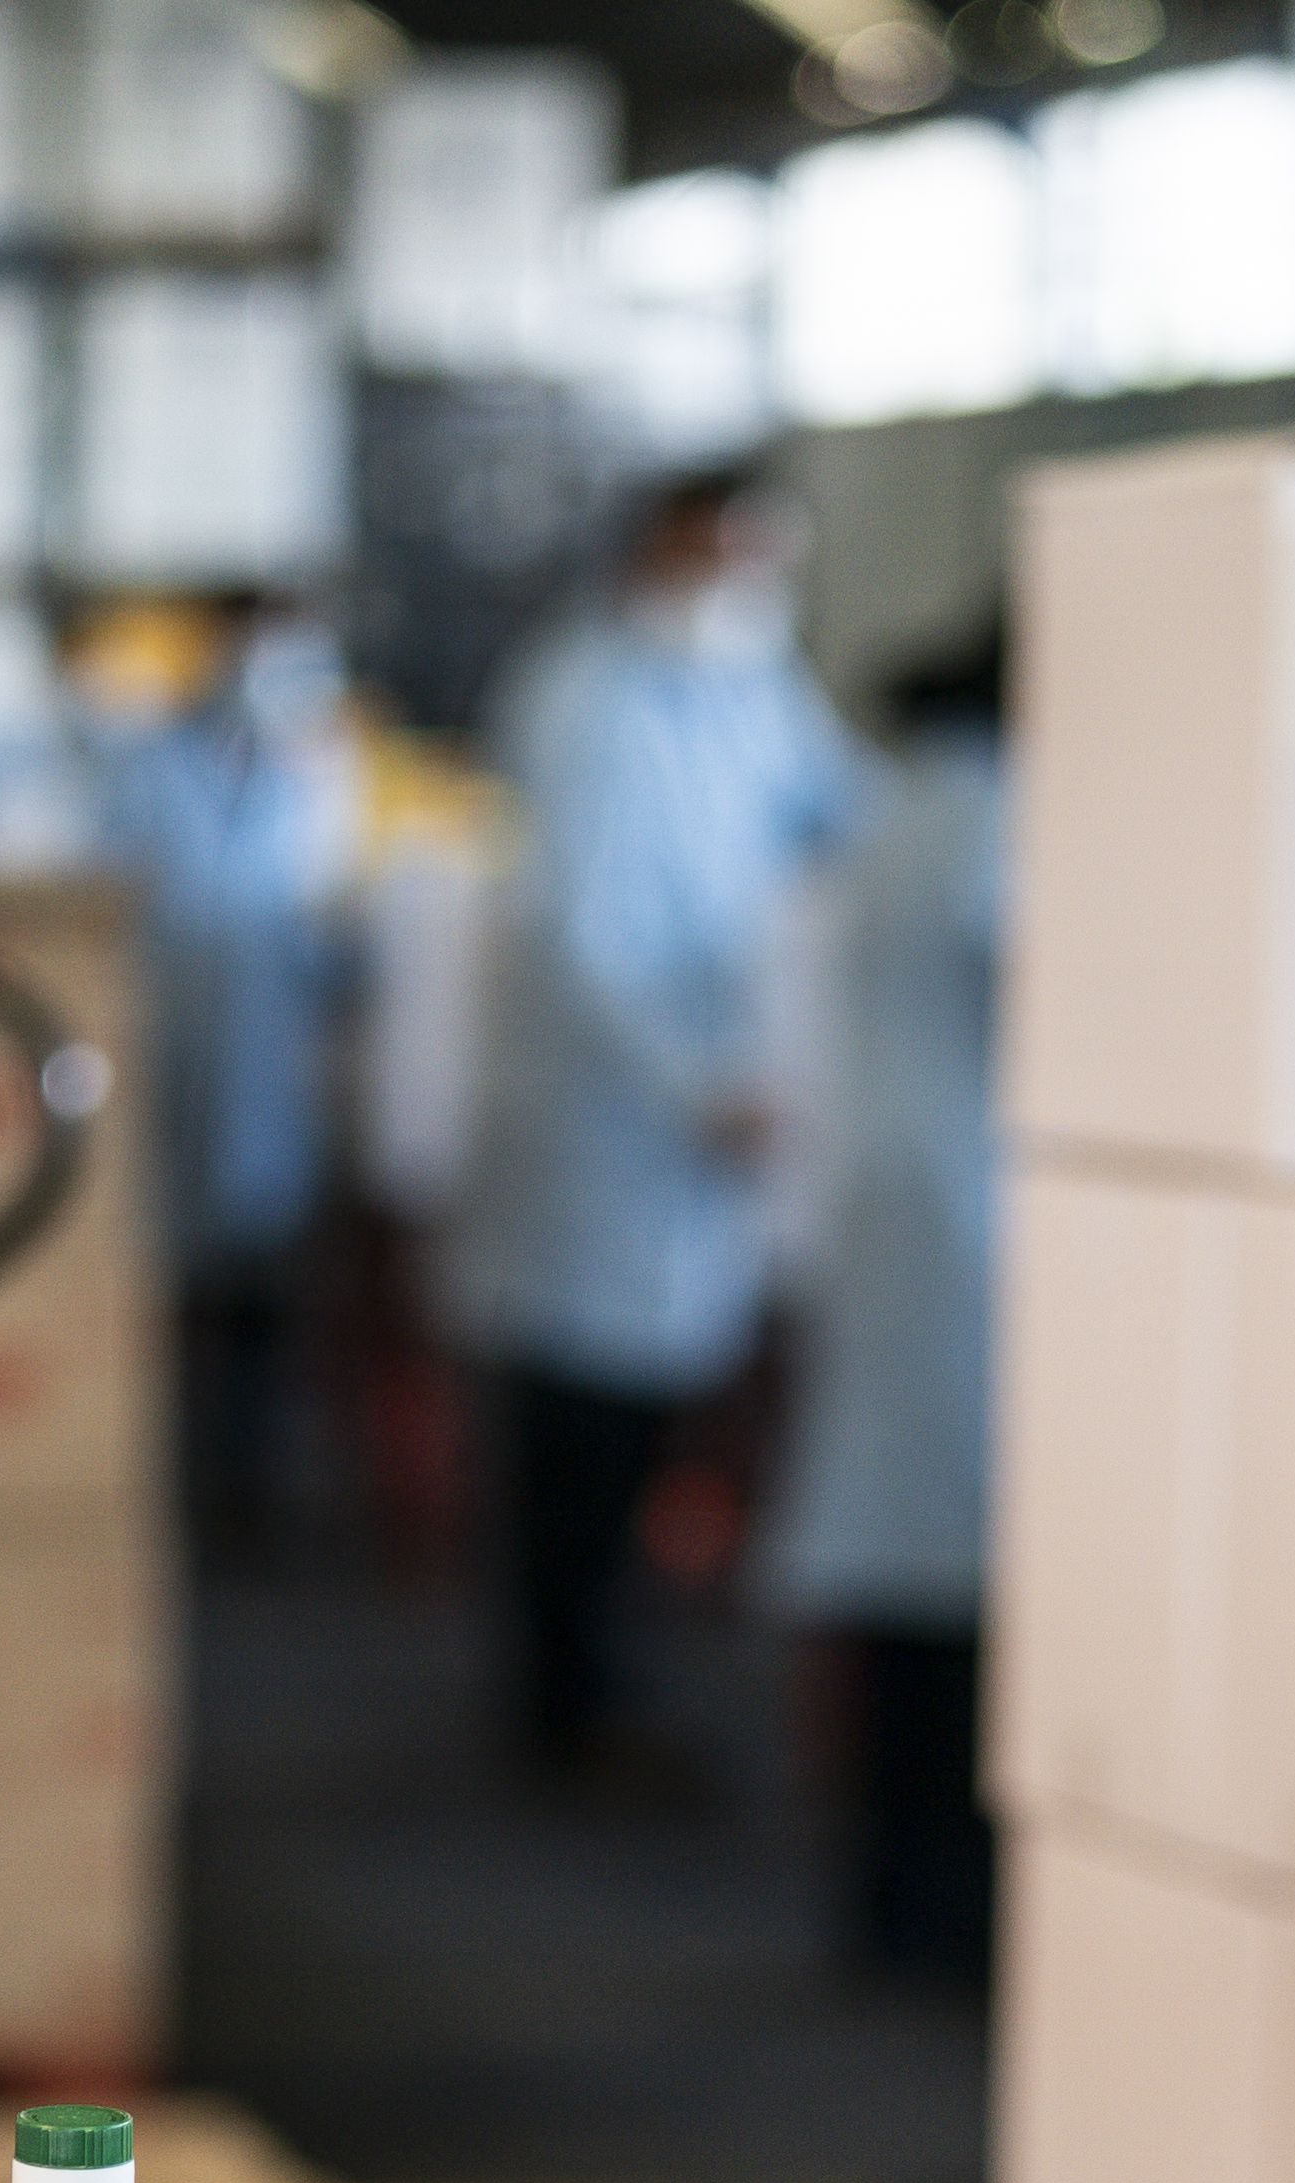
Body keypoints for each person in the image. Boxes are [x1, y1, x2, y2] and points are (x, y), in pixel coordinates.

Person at [442, 470, 852, 1779]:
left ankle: (605, 1684)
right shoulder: (587, 703)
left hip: (689, 1126)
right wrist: (695, 1084)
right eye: (718, 558)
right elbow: (588, 933)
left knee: (644, 1418)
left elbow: (837, 817)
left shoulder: (755, 698)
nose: (740, 590)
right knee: (577, 1431)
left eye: (760, 563)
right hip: (598, 1120)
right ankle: (567, 1707)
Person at [762, 620, 1007, 1982]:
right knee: (946, 1596)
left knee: (906, 1579)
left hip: (894, 1208)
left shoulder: (897, 821)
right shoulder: (993, 829)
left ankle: (893, 1890)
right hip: (963, 1229)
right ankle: (925, 1903)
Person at [94, 596, 357, 1551]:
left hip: (267, 1073)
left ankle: (246, 1494)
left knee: (261, 1298)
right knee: (164, 1298)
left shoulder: (314, 780)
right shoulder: (144, 768)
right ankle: (158, 1489)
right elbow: (112, 909)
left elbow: (322, 925)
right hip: (169, 1057)